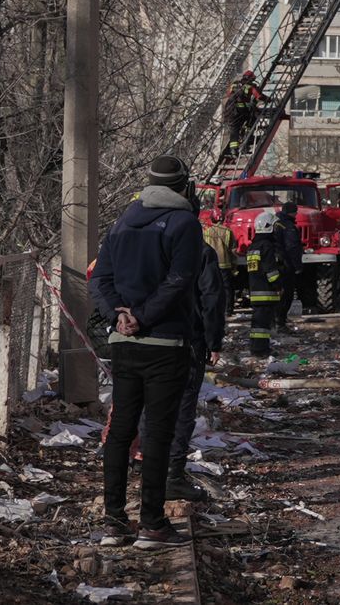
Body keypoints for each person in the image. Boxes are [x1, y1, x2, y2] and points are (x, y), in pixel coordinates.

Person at [89, 155, 203, 549]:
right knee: (157, 433)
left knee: (120, 430)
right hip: (166, 343)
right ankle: (152, 524)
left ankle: (113, 522)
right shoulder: (185, 224)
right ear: (183, 186)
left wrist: (119, 316)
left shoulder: (121, 222)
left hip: (123, 346)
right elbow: (180, 280)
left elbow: (100, 278)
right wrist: (143, 316)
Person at [167, 199, 225, 505]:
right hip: (190, 341)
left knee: (155, 407)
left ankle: (153, 470)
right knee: (184, 407)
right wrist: (215, 341)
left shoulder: (153, 249)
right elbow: (212, 299)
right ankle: (172, 475)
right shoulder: (201, 253)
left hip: (152, 340)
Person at [244, 211, 286, 357]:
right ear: (268, 227)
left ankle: (257, 348)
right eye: (274, 227)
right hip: (267, 292)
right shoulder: (266, 246)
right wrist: (279, 286)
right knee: (263, 325)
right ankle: (261, 350)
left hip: (255, 291)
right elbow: (271, 271)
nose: (276, 230)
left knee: (258, 324)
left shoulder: (253, 246)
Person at [219, 72, 262, 163]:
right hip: (241, 111)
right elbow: (259, 96)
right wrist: (268, 99)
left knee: (234, 130)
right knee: (253, 116)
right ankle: (248, 136)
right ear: (251, 78)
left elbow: (228, 94)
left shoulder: (234, 84)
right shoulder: (250, 86)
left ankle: (233, 150)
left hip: (229, 110)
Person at [200, 209, 236, 312]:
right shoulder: (228, 231)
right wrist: (234, 265)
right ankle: (228, 309)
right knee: (227, 288)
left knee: (213, 287)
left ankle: (215, 308)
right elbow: (233, 250)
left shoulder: (206, 232)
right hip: (225, 264)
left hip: (212, 264)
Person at [275, 199, 303, 330]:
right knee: (287, 294)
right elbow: (293, 248)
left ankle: (277, 319)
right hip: (286, 265)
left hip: (276, 263)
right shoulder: (289, 227)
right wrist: (297, 266)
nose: (296, 215)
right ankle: (280, 321)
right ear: (291, 213)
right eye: (295, 212)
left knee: (277, 293)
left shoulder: (276, 223)